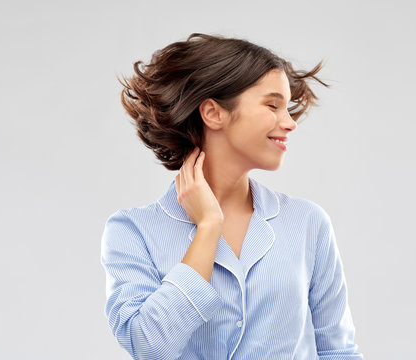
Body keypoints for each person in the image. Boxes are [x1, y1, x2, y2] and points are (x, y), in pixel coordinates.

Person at [101, 33, 363, 360]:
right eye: (272, 105)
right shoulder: (133, 231)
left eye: (287, 107)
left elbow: (338, 351)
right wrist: (208, 228)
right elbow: (150, 346)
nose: (290, 123)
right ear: (213, 113)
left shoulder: (307, 223)